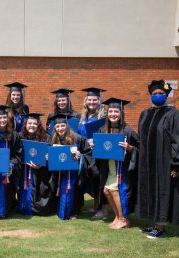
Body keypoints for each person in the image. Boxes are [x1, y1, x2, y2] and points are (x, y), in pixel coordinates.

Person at [135, 80, 179, 239]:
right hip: (148, 163)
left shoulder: (173, 114)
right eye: (154, 94)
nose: (157, 96)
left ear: (166, 95)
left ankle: (161, 227)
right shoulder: (145, 113)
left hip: (165, 162)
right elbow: (141, 138)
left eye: (161, 94)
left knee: (163, 192)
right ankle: (155, 224)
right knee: (152, 191)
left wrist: (177, 164)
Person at [89, 98, 139, 229]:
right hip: (108, 166)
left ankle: (123, 219)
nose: (113, 114)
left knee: (115, 191)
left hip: (121, 168)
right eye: (110, 111)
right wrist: (94, 145)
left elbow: (140, 148)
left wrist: (130, 148)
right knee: (106, 191)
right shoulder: (103, 129)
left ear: (121, 113)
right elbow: (99, 148)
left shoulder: (127, 131)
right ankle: (117, 216)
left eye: (116, 111)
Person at [49, 113, 89, 220]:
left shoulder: (78, 138)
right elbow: (48, 155)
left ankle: (75, 212)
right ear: (55, 127)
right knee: (60, 189)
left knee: (75, 191)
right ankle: (61, 211)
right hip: (59, 173)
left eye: (63, 125)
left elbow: (88, 153)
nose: (60, 128)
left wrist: (81, 155)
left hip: (75, 172)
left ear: (67, 125)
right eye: (57, 126)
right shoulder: (52, 139)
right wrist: (48, 157)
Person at [76, 87, 107, 219]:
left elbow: (107, 136)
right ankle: (95, 206)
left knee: (99, 180)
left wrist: (96, 141)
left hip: (97, 152)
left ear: (99, 100)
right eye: (89, 99)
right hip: (85, 153)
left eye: (95, 99)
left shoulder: (103, 116)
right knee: (89, 180)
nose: (92, 102)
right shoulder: (82, 116)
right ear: (86, 100)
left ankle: (102, 210)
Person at [18, 113, 55, 216]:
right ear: (25, 124)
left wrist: (44, 161)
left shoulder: (46, 137)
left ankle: (35, 208)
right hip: (24, 169)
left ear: (38, 125)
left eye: (35, 123)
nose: (32, 125)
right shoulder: (20, 136)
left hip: (41, 171)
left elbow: (50, 154)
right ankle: (24, 206)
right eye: (30, 123)